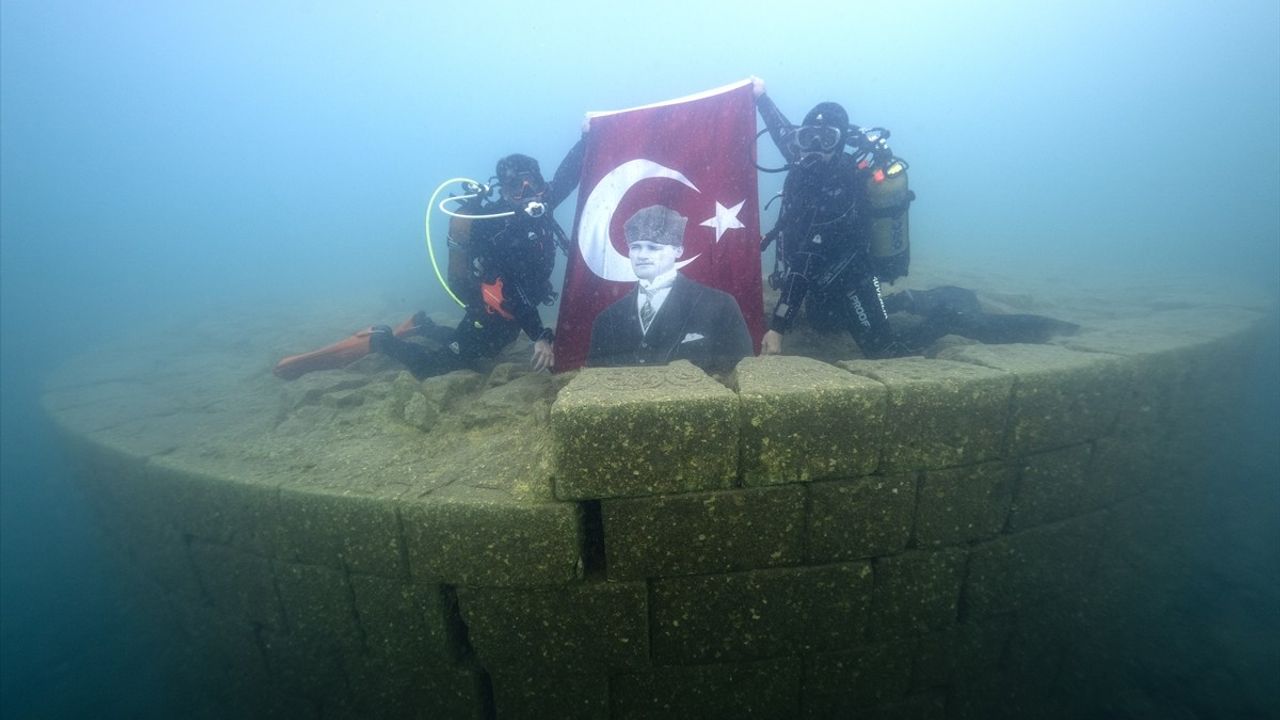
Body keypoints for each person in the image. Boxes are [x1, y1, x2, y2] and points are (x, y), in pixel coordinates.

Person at [752, 77, 1074, 357]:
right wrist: (761, 96)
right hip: (820, 280)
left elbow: (809, 254)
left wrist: (778, 327)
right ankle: (906, 301)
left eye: (828, 139)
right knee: (825, 323)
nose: (816, 148)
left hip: (852, 277)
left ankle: (948, 316)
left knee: (884, 350)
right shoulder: (802, 160)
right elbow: (782, 132)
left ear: (840, 144)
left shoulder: (843, 182)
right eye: (809, 138)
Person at [273, 139, 584, 381]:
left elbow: (569, 174)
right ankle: (381, 340)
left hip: (509, 318)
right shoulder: (498, 228)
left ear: (540, 182)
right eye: (517, 186)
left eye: (531, 182)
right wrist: (541, 336)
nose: (526, 192)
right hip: (491, 311)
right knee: (438, 367)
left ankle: (421, 324)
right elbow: (512, 290)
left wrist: (589, 135)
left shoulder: (541, 205)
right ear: (504, 191)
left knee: (484, 352)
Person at [587, 205, 753, 372]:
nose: (642, 255)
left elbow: (741, 376)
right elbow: (595, 387)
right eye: (635, 247)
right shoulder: (607, 319)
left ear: (678, 251)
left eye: (653, 247)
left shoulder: (720, 306)